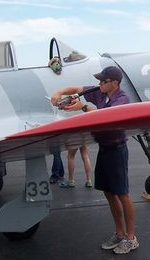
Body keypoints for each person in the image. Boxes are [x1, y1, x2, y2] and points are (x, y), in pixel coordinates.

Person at [51, 66, 138, 255]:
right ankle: (119, 233)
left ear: (114, 83)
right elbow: (77, 88)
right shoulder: (100, 93)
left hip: (117, 150)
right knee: (108, 192)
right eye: (99, 81)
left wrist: (83, 107)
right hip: (105, 149)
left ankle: (131, 238)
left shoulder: (121, 99)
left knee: (122, 194)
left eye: (103, 81)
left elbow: (106, 118)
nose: (99, 84)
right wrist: (59, 93)